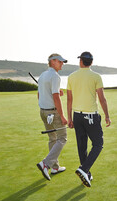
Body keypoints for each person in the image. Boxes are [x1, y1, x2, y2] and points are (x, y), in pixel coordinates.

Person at [67, 51, 111, 187]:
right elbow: (102, 99)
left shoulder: (71, 76)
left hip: (77, 116)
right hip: (90, 115)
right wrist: (107, 115)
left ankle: (87, 174)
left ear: (81, 61)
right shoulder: (96, 76)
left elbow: (69, 99)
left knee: (82, 147)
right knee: (98, 144)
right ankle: (84, 169)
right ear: (91, 62)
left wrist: (69, 118)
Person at [36, 53, 68, 181]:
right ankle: (46, 163)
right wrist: (62, 116)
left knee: (52, 139)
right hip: (53, 113)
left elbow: (39, 94)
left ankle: (55, 167)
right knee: (62, 138)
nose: (62, 64)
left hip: (43, 112)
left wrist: (57, 93)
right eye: (60, 61)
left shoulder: (43, 75)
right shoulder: (55, 76)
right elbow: (55, 98)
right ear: (53, 61)